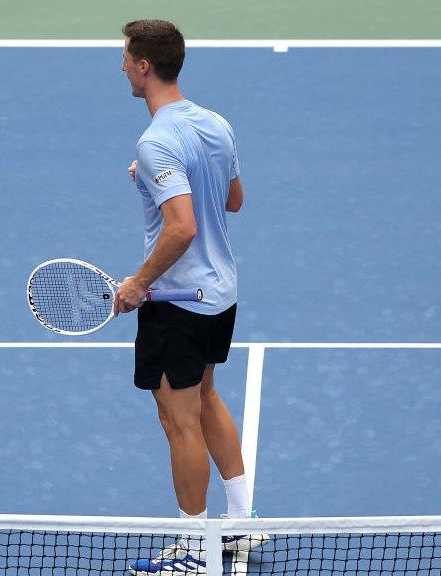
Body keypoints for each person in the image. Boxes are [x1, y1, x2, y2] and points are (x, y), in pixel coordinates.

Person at [114, 19, 265, 575]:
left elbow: (181, 229)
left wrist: (138, 283)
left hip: (177, 300)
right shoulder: (215, 123)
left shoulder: (156, 141)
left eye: (127, 57)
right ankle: (241, 526)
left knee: (179, 421)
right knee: (205, 397)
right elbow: (233, 198)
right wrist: (153, 181)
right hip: (220, 294)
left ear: (146, 65)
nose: (123, 66)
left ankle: (194, 551)